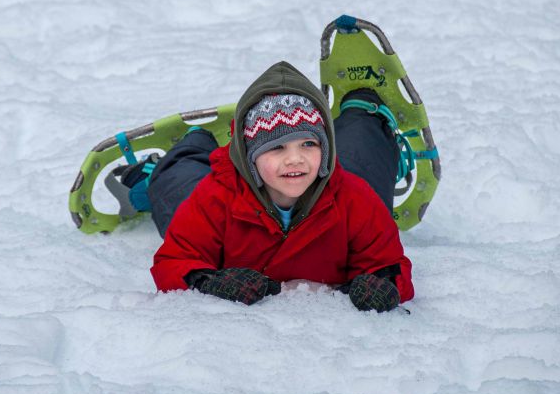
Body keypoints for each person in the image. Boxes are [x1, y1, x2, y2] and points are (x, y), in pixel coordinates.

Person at [123, 61, 413, 312]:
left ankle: (364, 106)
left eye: (308, 144)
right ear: (248, 156)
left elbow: (390, 265)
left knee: (362, 162)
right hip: (225, 192)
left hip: (337, 185)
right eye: (277, 148)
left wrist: (381, 286)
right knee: (178, 188)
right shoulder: (215, 196)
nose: (295, 158)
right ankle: (191, 143)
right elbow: (176, 260)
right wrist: (209, 282)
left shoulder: (355, 198)